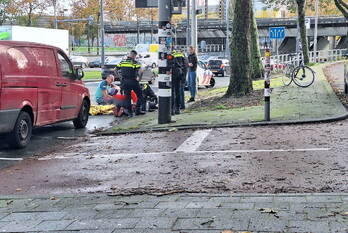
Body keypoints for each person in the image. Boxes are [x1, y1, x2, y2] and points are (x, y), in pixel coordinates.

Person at [116, 50, 145, 116]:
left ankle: (129, 113)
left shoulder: (122, 62)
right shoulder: (134, 62)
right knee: (140, 95)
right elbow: (141, 71)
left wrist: (120, 78)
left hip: (124, 82)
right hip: (133, 81)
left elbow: (115, 69)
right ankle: (137, 110)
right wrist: (139, 79)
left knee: (127, 97)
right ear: (134, 56)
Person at [172, 50, 186, 114]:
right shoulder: (182, 55)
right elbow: (185, 66)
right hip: (179, 74)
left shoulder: (171, 55)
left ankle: (172, 108)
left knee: (172, 92)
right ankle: (177, 108)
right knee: (178, 92)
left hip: (173, 74)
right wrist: (183, 77)